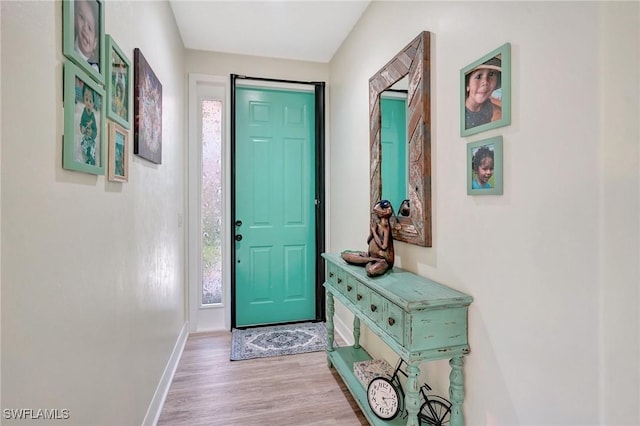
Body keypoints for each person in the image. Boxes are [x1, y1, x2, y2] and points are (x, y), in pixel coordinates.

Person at [464, 56, 501, 129]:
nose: (486, 82)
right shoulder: (462, 114)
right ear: (467, 85)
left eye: (491, 74)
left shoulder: (489, 106)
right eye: (478, 76)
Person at [74, 0, 99, 71]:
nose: (85, 28)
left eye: (90, 28)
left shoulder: (95, 69)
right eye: (82, 18)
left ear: (95, 42)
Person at [79, 85, 98, 165]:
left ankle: (91, 158)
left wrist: (92, 133)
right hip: (85, 138)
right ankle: (88, 155)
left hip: (91, 139)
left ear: (93, 103)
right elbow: (81, 123)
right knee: (82, 144)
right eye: (86, 100)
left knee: (93, 146)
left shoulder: (93, 117)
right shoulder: (83, 113)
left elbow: (95, 131)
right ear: (83, 100)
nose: (88, 103)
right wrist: (82, 128)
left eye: (90, 101)